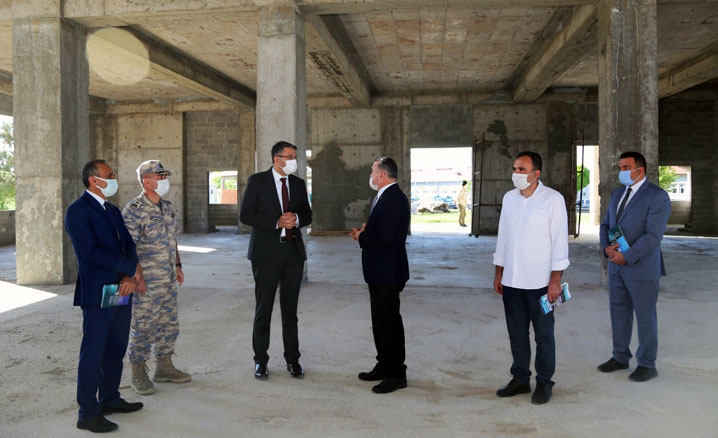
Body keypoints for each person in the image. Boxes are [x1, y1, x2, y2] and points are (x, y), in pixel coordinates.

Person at [65, 160, 145, 433]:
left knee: (116, 347)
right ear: (93, 180)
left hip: (122, 289)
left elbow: (128, 244)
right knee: (93, 352)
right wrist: (128, 270)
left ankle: (110, 398)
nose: (114, 178)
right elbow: (90, 252)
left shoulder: (112, 210)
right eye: (109, 175)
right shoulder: (78, 211)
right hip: (98, 291)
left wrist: (130, 276)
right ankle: (87, 413)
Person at [492, 151, 569, 405]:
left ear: (536, 173)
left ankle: (544, 383)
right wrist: (499, 272)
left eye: (522, 170)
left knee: (544, 336)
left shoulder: (552, 200)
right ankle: (520, 379)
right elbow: (503, 238)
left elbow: (559, 242)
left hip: (540, 284)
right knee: (517, 334)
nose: (516, 174)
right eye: (515, 168)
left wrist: (555, 280)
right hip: (512, 282)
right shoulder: (509, 198)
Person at [239, 141, 312, 379]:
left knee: (290, 312)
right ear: (277, 159)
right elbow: (246, 215)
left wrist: (296, 219)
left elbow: (308, 214)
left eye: (295, 157)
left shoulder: (298, 184)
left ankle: (293, 360)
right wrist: (276, 222)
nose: (294, 161)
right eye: (290, 156)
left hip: (293, 254)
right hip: (266, 255)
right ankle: (260, 360)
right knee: (264, 310)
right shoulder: (257, 181)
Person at [598, 151, 671, 382]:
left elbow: (653, 236)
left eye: (627, 168)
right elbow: (606, 225)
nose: (622, 172)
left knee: (645, 317)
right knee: (619, 314)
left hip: (642, 268)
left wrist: (627, 257)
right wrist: (607, 249)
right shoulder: (617, 193)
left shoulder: (657, 197)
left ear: (641, 170)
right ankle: (620, 357)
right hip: (616, 266)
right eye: (620, 168)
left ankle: (647, 364)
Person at [122, 160, 190, 395]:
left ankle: (164, 367)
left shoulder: (167, 207)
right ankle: (138, 371)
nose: (164, 180)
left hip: (167, 278)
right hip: (147, 281)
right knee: (144, 326)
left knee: (169, 324)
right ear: (146, 181)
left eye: (164, 176)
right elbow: (127, 247)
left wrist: (177, 265)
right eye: (159, 177)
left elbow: (173, 240)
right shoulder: (134, 210)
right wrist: (136, 277)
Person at [350, 157, 410, 394]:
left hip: (388, 272)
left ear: (382, 175)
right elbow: (383, 231)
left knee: (389, 323)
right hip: (380, 271)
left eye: (372, 171)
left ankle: (396, 374)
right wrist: (365, 232)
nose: (370, 176)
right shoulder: (384, 196)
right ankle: (384, 364)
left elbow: (385, 238)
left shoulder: (393, 199)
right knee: (380, 321)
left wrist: (361, 237)